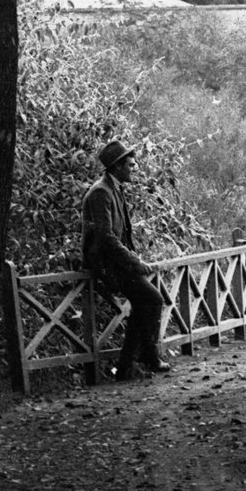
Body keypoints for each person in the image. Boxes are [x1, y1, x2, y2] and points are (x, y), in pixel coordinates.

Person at [80, 138, 172, 379]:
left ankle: (126, 367)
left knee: (144, 304)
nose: (134, 168)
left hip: (117, 262)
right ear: (117, 166)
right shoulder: (101, 192)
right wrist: (135, 262)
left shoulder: (114, 188)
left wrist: (134, 259)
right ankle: (148, 356)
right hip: (105, 265)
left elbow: (122, 234)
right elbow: (106, 237)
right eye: (130, 165)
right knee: (153, 299)